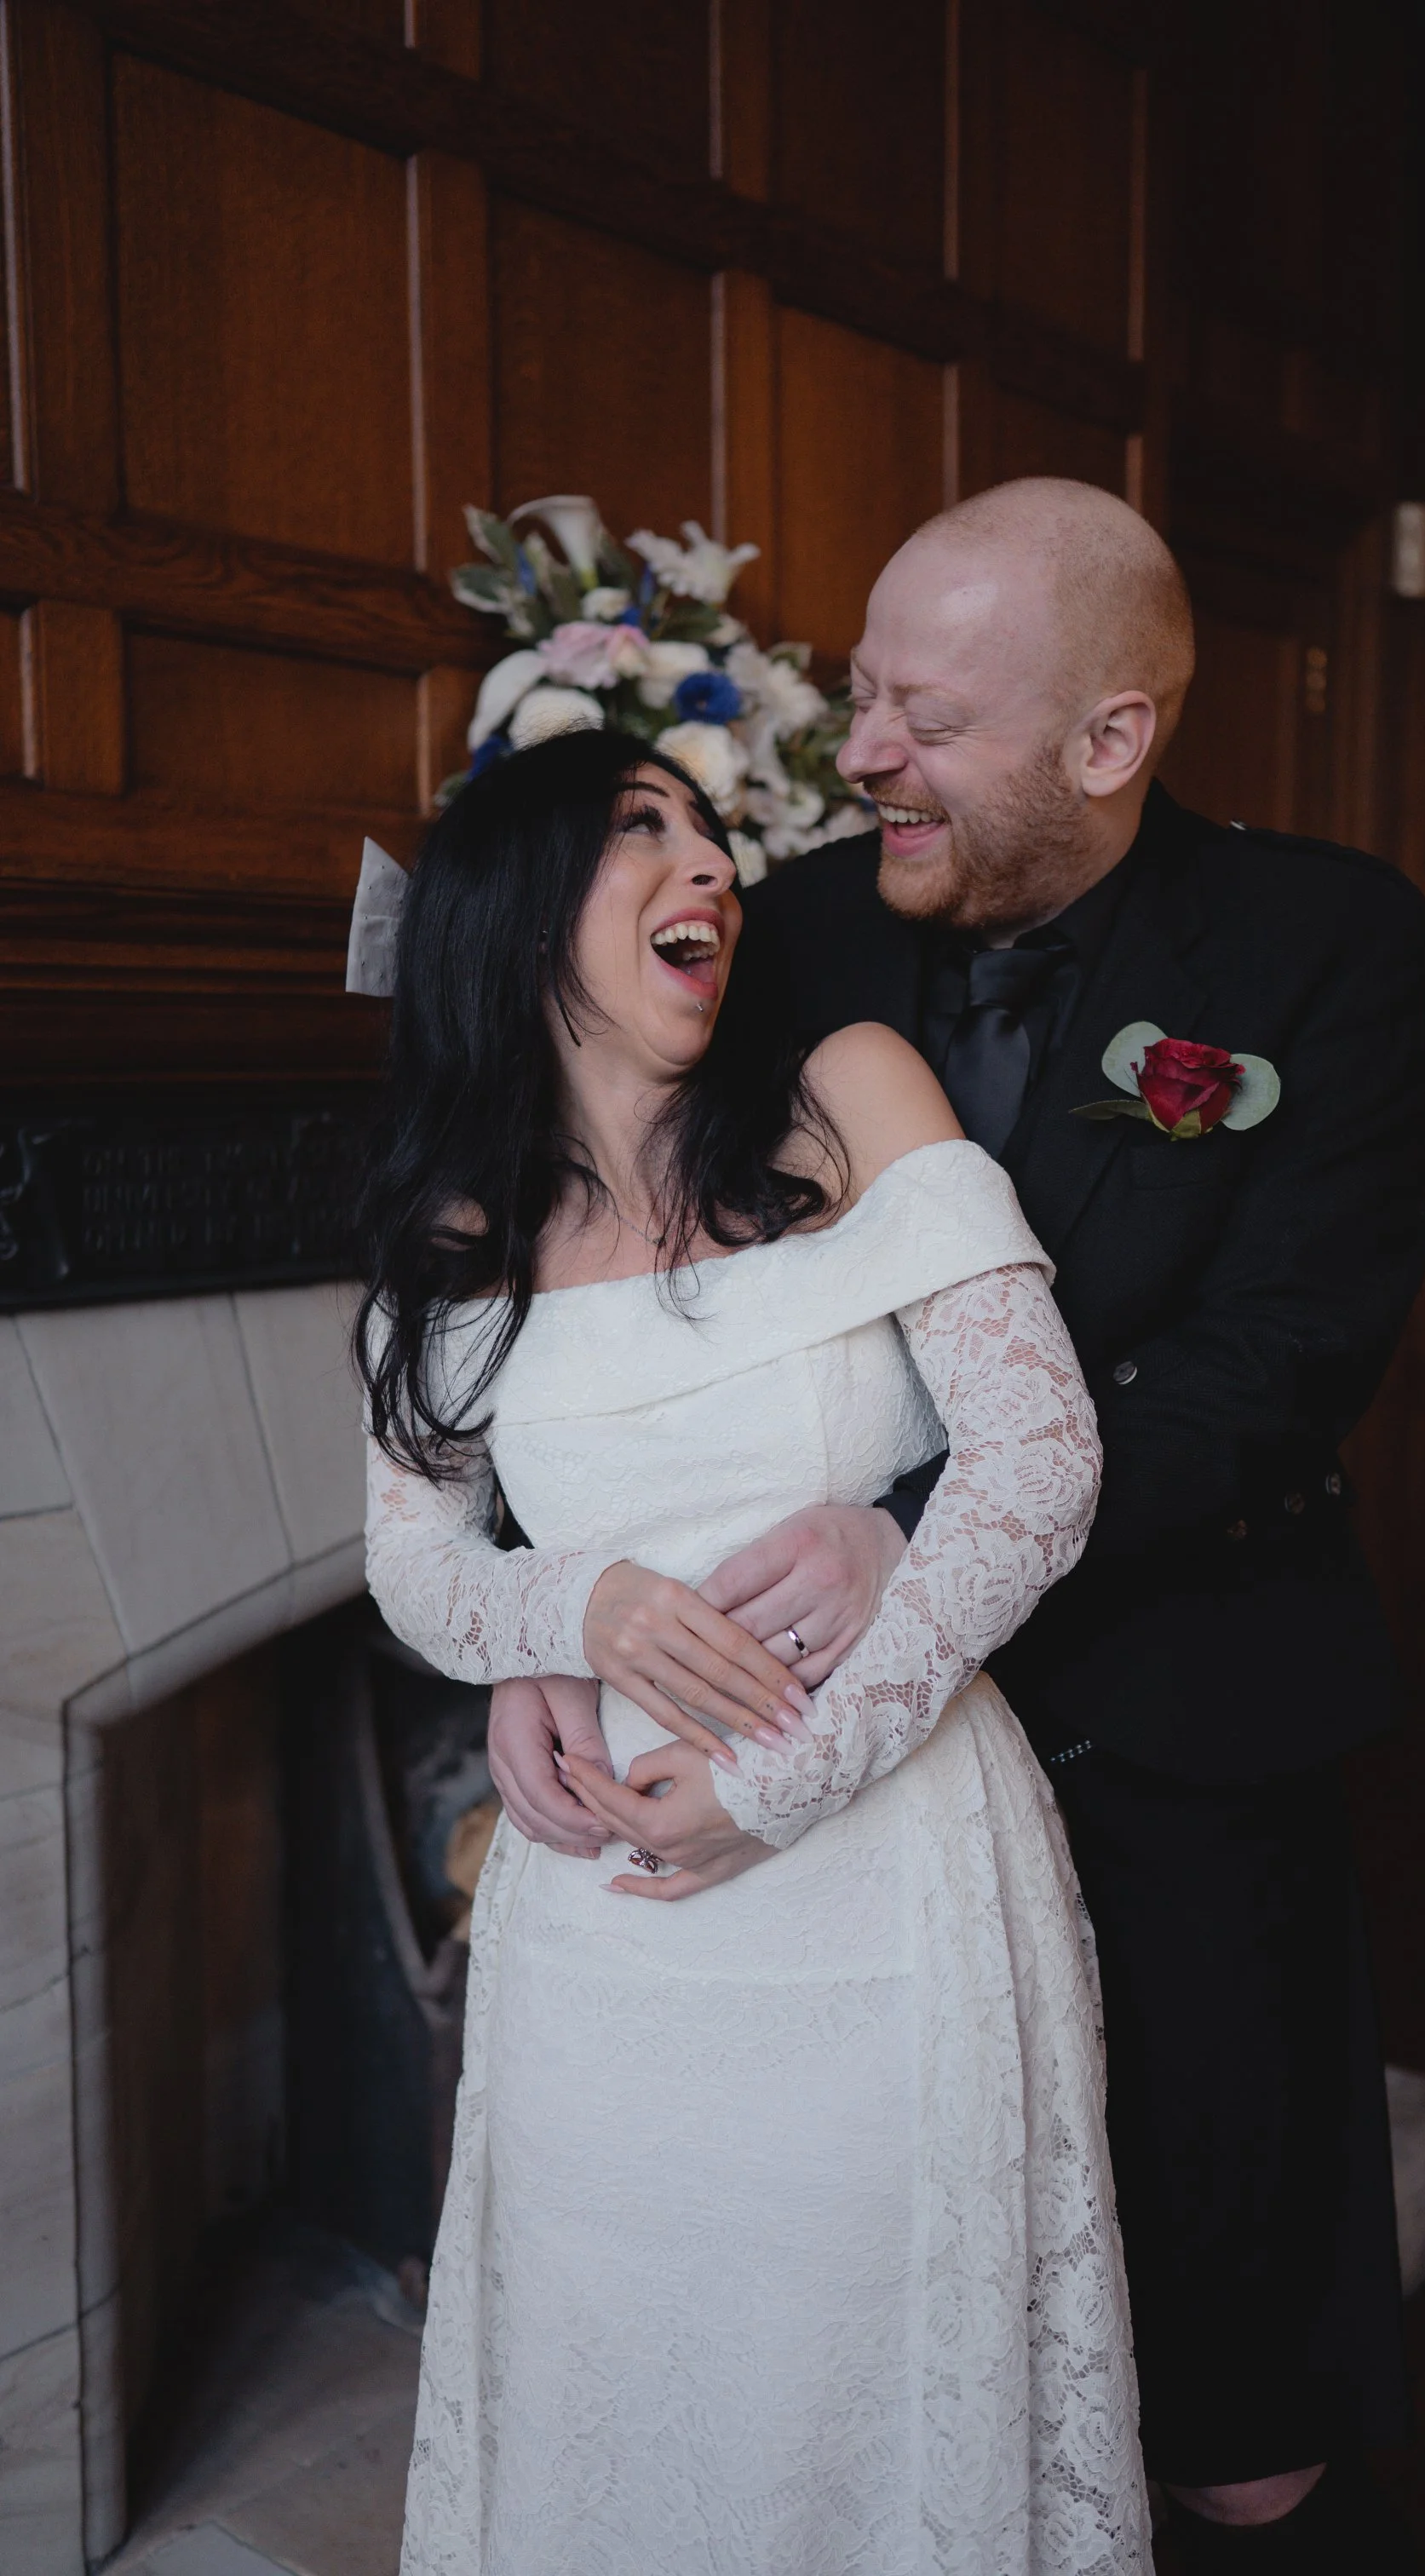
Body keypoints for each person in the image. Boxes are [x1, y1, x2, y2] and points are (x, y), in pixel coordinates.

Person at [693, 478, 1425, 2568]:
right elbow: (646, 1290)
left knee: (1230, 2397)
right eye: (860, 695)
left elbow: (1276, 1361)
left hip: (1185, 1723)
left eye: (924, 715)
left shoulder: (1321, 941)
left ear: (1110, 739)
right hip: (865, 1768)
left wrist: (924, 1534)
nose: (860, 755)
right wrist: (571, 1616)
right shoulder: (803, 926)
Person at [357, 728, 1147, 2574]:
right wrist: (578, 1611)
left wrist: (782, 1776)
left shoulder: (849, 1093)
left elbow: (1039, 1467)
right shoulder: (459, 1226)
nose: (708, 862)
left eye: (714, 831)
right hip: (605, 1922)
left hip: (885, 1870)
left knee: (866, 2380)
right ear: (512, 915)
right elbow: (416, 1569)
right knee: (614, 2368)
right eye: (645, 831)